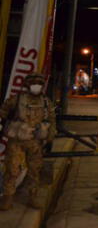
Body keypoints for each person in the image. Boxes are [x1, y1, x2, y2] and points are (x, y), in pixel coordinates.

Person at [0, 73, 55, 211]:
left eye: (40, 83)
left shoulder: (46, 101)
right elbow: (2, 113)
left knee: (34, 171)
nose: (37, 86)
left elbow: (52, 121)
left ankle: (33, 197)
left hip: (36, 142)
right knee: (12, 170)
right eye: (34, 83)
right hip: (16, 141)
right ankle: (8, 198)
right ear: (27, 85)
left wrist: (50, 138)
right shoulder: (16, 99)